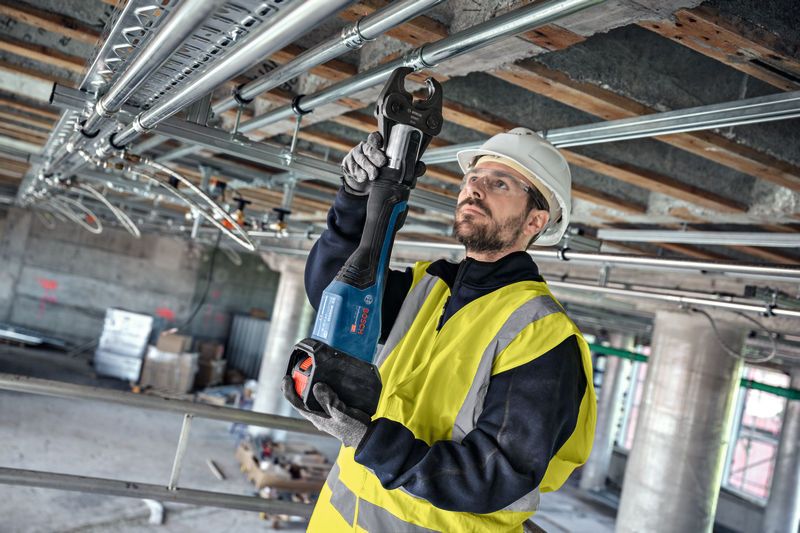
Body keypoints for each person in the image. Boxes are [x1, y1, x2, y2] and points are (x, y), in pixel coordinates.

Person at [282, 127, 597, 532]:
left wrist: (369, 440)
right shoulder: (428, 286)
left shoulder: (543, 335)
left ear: (535, 220)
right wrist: (355, 199)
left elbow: (495, 475)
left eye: (499, 183)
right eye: (472, 178)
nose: (475, 189)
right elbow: (332, 291)